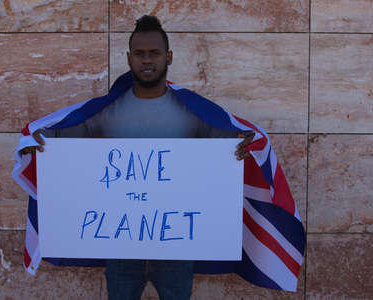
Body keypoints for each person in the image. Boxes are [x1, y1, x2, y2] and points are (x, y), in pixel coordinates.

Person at [20, 15, 254, 300]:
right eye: (140, 54)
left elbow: (227, 149)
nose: (147, 60)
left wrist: (242, 146)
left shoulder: (193, 111)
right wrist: (38, 145)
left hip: (176, 245)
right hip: (121, 246)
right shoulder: (107, 111)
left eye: (154, 53)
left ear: (168, 57)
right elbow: (62, 143)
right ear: (129, 58)